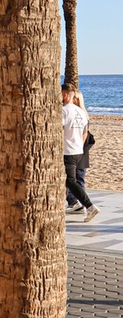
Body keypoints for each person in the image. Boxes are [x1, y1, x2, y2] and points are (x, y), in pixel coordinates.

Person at [62, 83, 100, 222]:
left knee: (71, 181)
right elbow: (84, 132)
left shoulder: (65, 111)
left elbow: (56, 129)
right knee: (67, 181)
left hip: (68, 151)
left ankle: (90, 206)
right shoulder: (81, 112)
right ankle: (69, 204)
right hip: (78, 150)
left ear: (65, 95)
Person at [67, 90, 94, 214]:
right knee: (72, 179)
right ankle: (75, 202)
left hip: (77, 151)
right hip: (78, 150)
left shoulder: (79, 115)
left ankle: (84, 204)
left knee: (75, 179)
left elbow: (84, 135)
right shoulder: (81, 115)